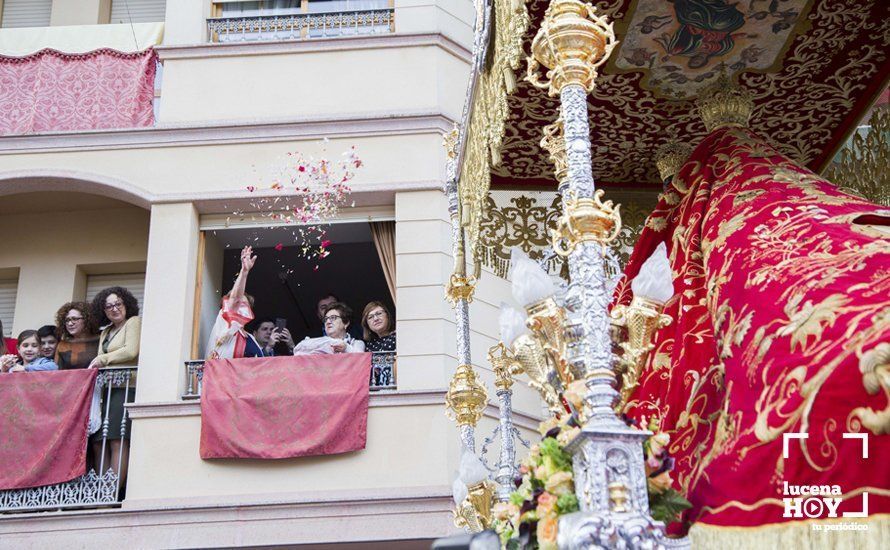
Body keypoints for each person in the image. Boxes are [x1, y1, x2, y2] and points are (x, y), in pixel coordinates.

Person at [88, 286, 142, 493]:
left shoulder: (133, 322)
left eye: (118, 304)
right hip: (104, 392)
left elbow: (131, 350)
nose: (114, 309)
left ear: (126, 304)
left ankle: (111, 492)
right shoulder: (106, 332)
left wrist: (103, 359)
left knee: (117, 439)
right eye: (108, 306)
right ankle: (100, 492)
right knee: (99, 441)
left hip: (125, 387)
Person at [206, 246, 270, 359]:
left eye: (245, 305)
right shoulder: (224, 323)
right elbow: (235, 299)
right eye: (238, 304)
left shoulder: (251, 338)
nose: (241, 307)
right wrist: (244, 272)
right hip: (223, 376)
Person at [294, 302, 365, 355]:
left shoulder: (356, 343)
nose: (328, 322)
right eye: (325, 319)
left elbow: (360, 360)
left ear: (346, 323)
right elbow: (298, 351)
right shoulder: (319, 342)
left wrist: (346, 348)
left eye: (333, 318)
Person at [54, 301, 100, 370]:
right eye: (67, 320)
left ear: (87, 319)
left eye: (74, 319)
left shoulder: (100, 340)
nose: (70, 323)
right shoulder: (63, 345)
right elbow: (57, 372)